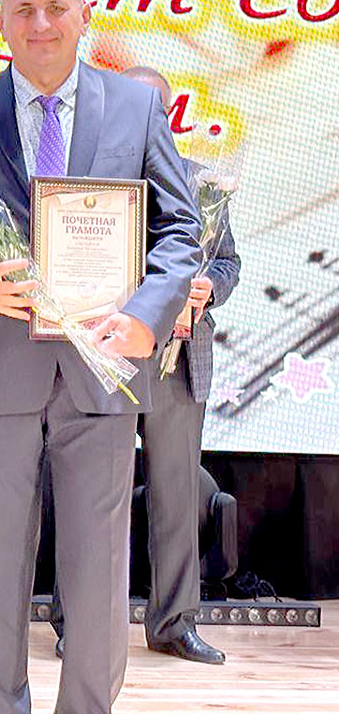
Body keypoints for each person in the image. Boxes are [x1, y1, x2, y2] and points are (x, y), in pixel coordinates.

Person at [0, 0, 201, 713]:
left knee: (99, 576)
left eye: (56, 8)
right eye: (24, 10)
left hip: (102, 371)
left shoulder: (135, 108)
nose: (40, 24)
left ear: (84, 16)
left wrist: (146, 315)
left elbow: (180, 228)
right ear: (1, 23)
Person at [125, 66, 239, 663]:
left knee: (176, 493)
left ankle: (173, 623)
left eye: (153, 108)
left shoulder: (203, 183)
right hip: (110, 353)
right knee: (95, 491)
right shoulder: (93, 178)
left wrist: (208, 287)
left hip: (180, 358)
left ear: (168, 115)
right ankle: (77, 620)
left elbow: (229, 263)